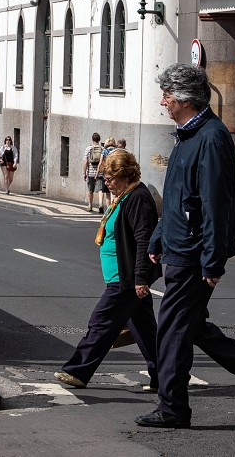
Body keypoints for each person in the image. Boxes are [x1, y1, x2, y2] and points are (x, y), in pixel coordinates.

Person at [138, 64, 235, 429]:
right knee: (190, 326)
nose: (162, 101)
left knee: (171, 330)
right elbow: (178, 197)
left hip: (194, 253)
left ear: (183, 99)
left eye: (167, 95)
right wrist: (158, 237)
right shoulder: (187, 135)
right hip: (180, 245)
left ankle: (173, 408)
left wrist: (212, 261)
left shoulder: (211, 138)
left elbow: (217, 203)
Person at [56, 148, 160, 392]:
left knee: (101, 322)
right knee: (145, 332)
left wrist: (140, 278)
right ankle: (167, 375)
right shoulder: (126, 195)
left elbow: (144, 239)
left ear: (125, 174)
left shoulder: (138, 197)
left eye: (110, 178)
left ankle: (78, 371)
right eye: (105, 179)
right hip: (124, 277)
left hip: (126, 280)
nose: (107, 183)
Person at [97, 137, 118, 213]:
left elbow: (100, 163)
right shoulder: (116, 151)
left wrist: (97, 173)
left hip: (106, 174)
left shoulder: (104, 151)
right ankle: (113, 209)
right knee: (114, 193)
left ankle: (108, 211)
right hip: (114, 174)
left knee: (107, 194)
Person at [85, 133, 105, 212]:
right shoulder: (102, 149)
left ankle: (90, 205)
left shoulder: (88, 148)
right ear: (99, 140)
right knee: (100, 189)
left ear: (92, 139)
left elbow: (85, 161)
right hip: (100, 172)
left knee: (90, 189)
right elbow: (103, 161)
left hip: (90, 172)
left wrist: (84, 173)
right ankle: (100, 204)